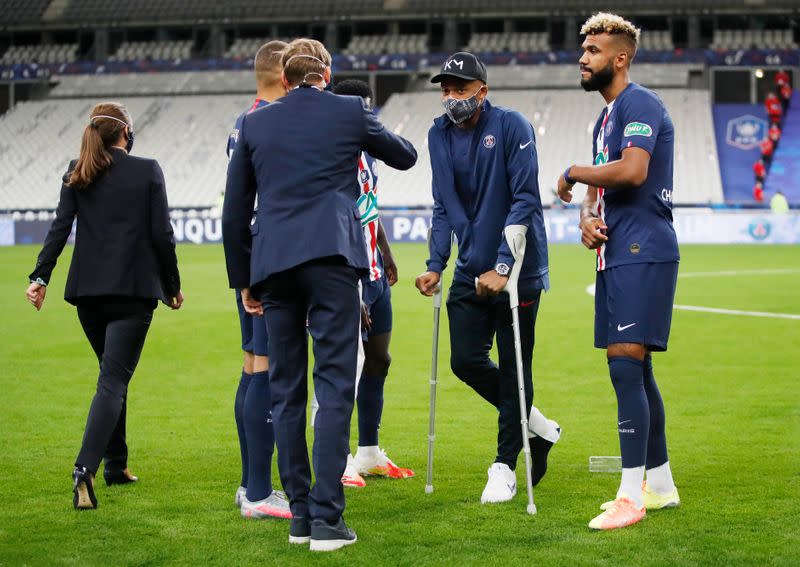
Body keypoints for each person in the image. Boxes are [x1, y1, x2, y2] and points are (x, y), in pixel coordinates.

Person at [222, 38, 416, 552]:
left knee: (286, 391)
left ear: (284, 80)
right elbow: (405, 157)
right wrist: (360, 126)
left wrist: (244, 279)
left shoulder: (255, 123)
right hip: (333, 259)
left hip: (274, 265)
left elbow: (234, 211)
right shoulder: (349, 111)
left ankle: (301, 518)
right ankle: (329, 521)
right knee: (333, 387)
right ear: (324, 76)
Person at [415, 52, 561, 506]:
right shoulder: (437, 134)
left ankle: (503, 466)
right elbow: (443, 204)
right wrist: (436, 263)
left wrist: (502, 267)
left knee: (517, 364)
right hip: (468, 266)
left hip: (517, 269)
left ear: (483, 90)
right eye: (445, 89)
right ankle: (535, 425)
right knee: (464, 361)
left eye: (460, 89)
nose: (451, 97)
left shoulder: (513, 126)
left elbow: (524, 200)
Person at [25, 102, 183, 510]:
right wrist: (172, 286)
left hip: (87, 295)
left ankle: (116, 465)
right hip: (132, 292)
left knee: (112, 374)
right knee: (113, 379)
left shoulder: (78, 170)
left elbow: (60, 227)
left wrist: (39, 278)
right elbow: (162, 235)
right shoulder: (147, 169)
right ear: (126, 132)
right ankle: (85, 469)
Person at [557, 13, 681, 530]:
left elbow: (632, 170)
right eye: (583, 49)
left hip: (642, 246)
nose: (582, 57)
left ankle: (631, 495)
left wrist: (570, 171)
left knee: (625, 365)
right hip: (618, 250)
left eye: (592, 49)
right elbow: (597, 194)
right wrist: (587, 217)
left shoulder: (638, 103)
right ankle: (662, 484)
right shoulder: (605, 118)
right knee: (635, 368)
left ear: (620, 57)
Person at [331, 79, 414, 489]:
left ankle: (368, 452)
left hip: (376, 269)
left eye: (368, 107)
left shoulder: (368, 151)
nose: (365, 115)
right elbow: (337, 216)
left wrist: (386, 251)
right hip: (351, 272)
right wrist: (352, 278)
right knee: (348, 365)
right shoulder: (333, 152)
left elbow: (367, 206)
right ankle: (338, 457)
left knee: (379, 359)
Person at [226, 39, 291, 520]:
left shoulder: (243, 120)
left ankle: (250, 483)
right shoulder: (270, 123)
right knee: (268, 370)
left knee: (252, 366)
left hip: (247, 258)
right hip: (268, 260)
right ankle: (259, 491)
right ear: (285, 76)